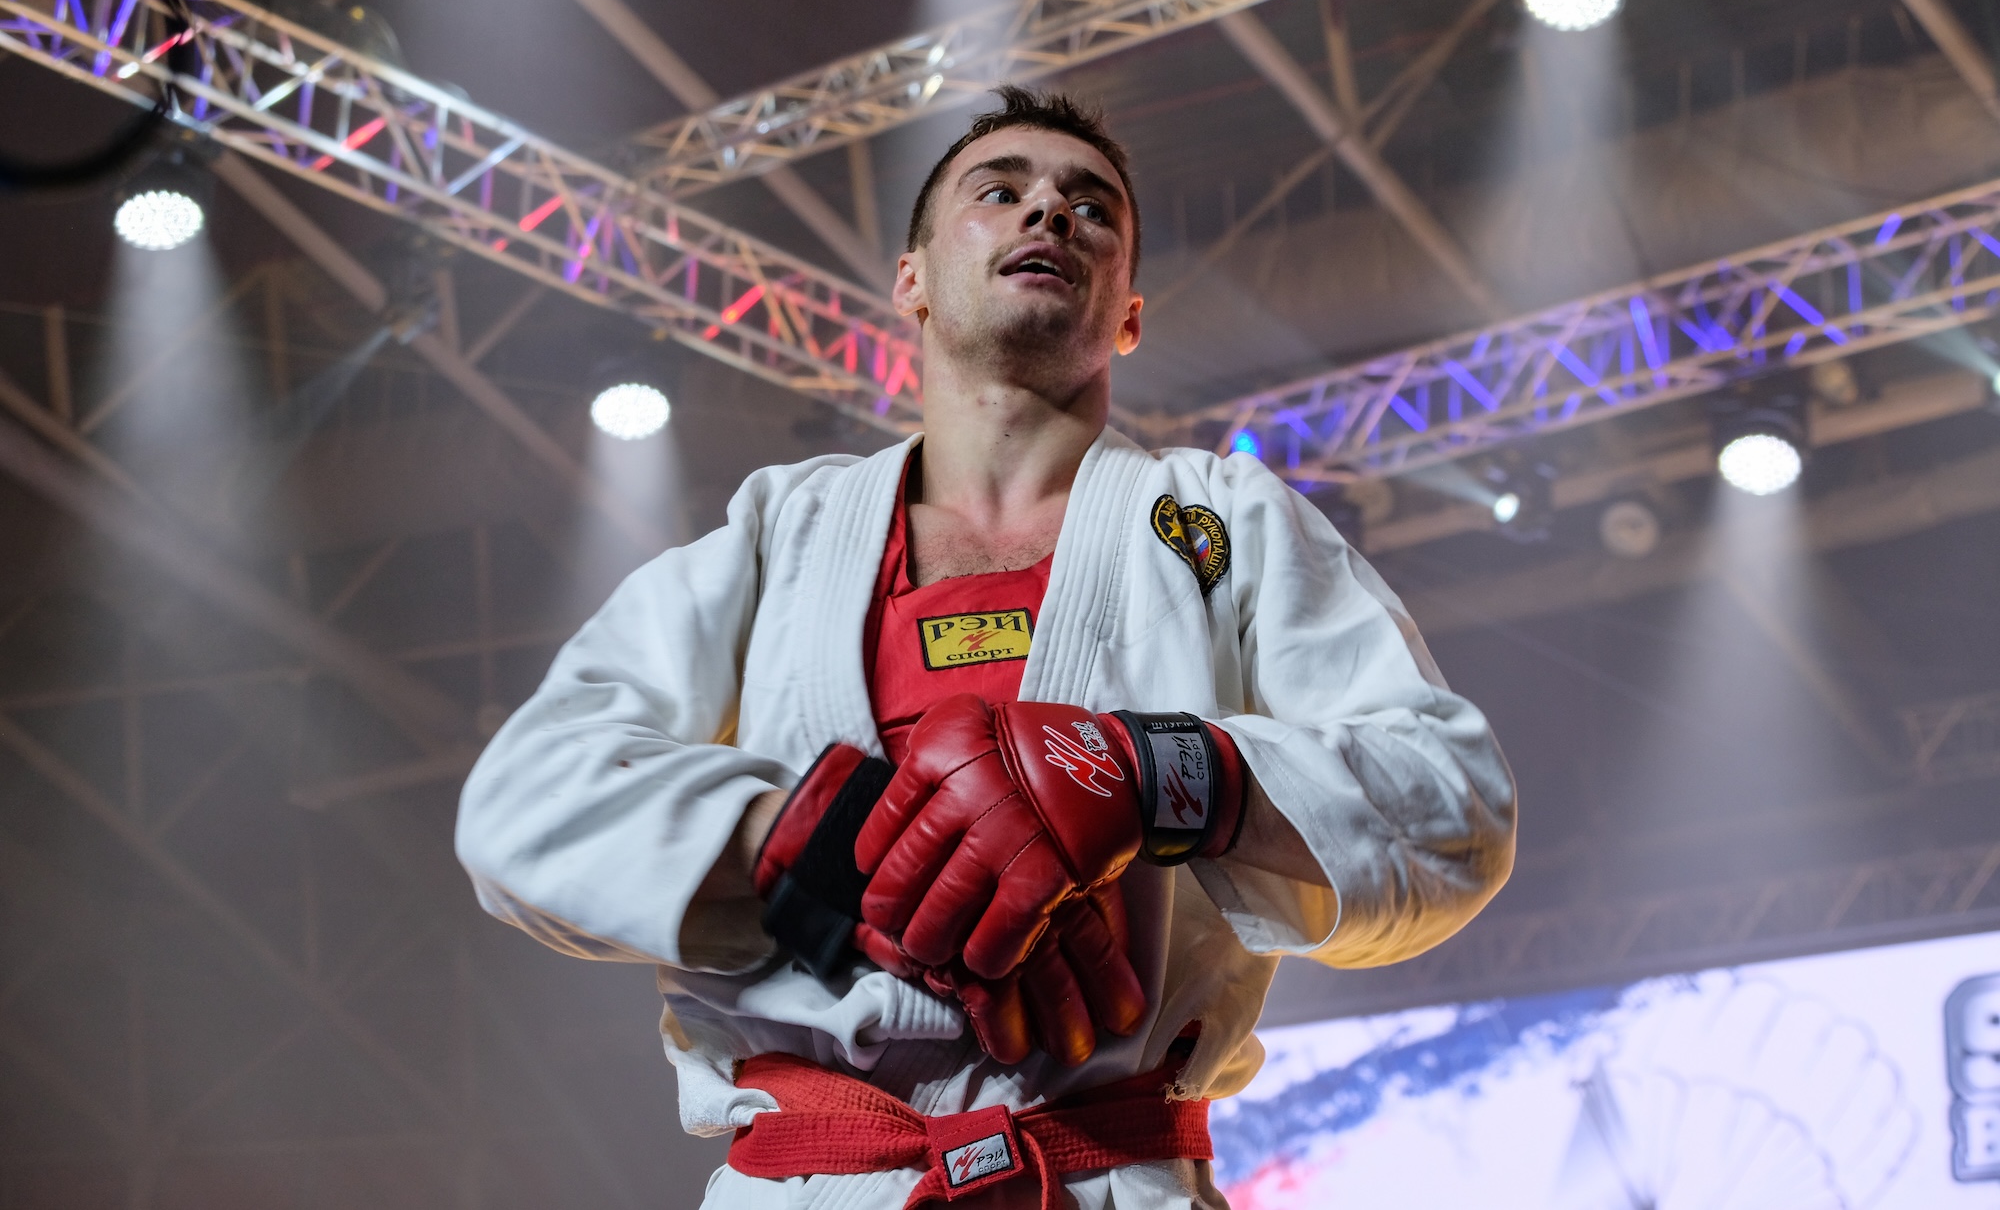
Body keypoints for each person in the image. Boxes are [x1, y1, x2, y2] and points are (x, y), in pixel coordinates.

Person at [455, 86, 1516, 1209]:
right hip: (817, 1180)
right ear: (909, 279)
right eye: (999, 192)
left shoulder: (1225, 522)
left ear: (1128, 314)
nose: (1049, 213)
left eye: (1090, 208)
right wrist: (832, 842)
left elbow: (1454, 809)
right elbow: (522, 805)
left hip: (1110, 1176)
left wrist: (1152, 774)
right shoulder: (780, 530)